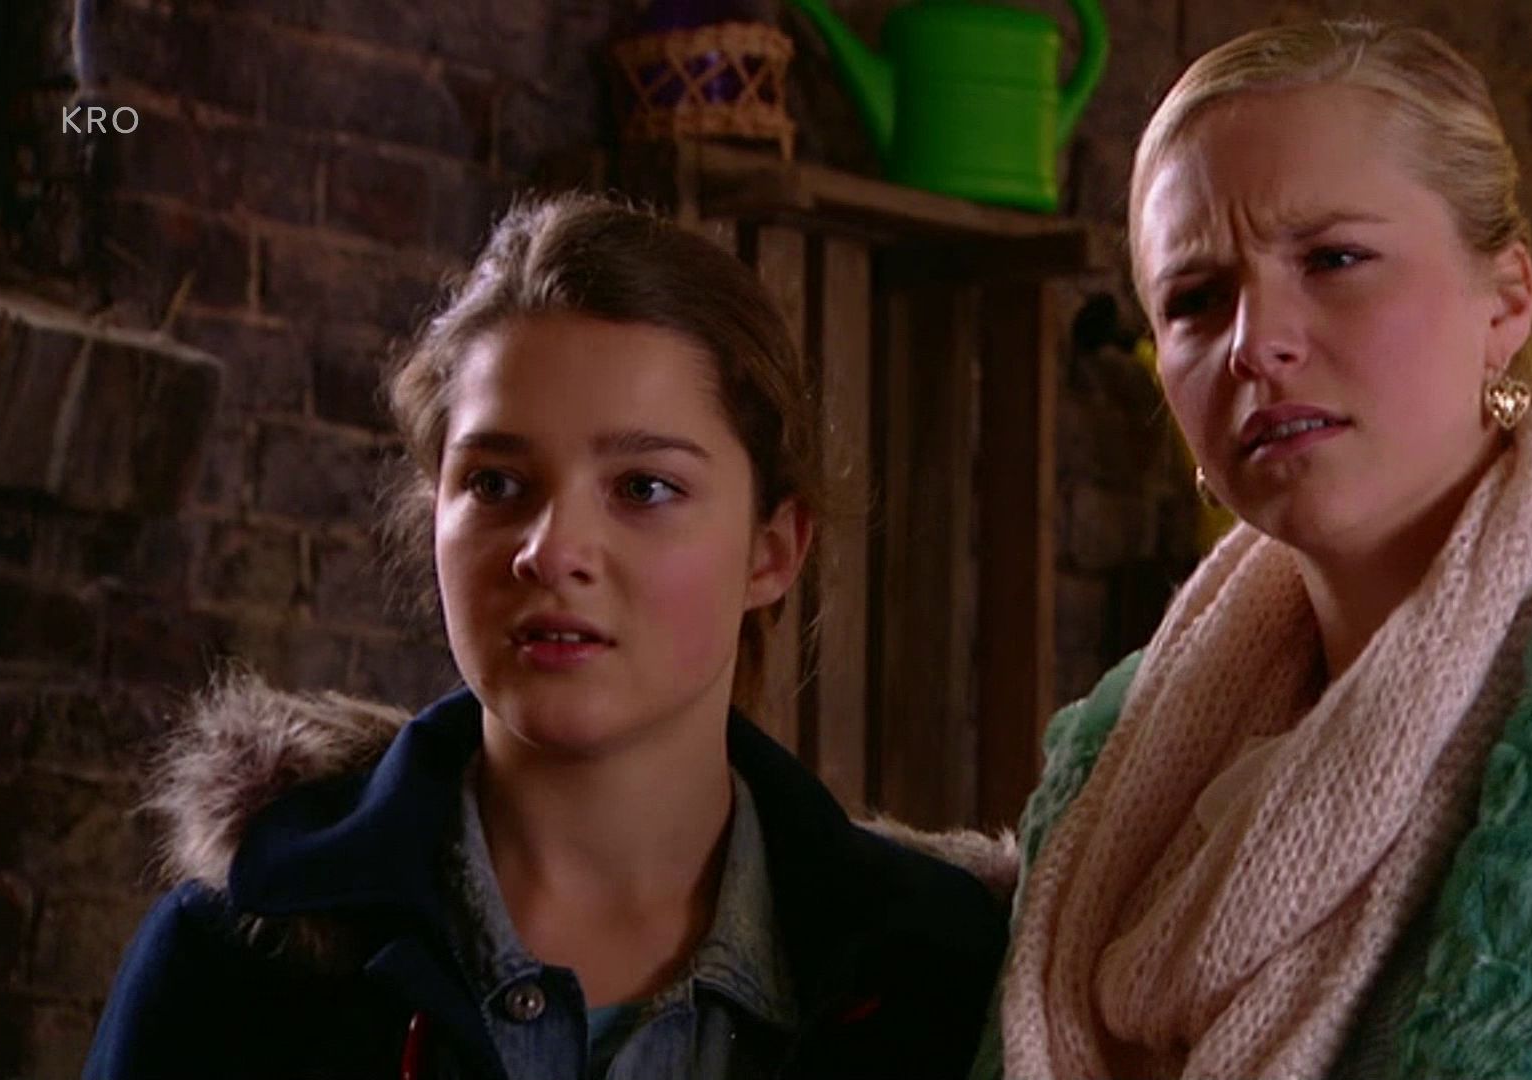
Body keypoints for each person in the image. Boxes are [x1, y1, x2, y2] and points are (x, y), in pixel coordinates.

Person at [975, 19, 1532, 1080]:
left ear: (1506, 302)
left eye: (1334, 259)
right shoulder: (1117, 777)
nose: (1255, 343)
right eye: (1195, 301)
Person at [84, 193, 1008, 1079]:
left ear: (772, 551)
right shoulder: (234, 963)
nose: (552, 551)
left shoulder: (940, 976)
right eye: (495, 484)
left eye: (644, 488)